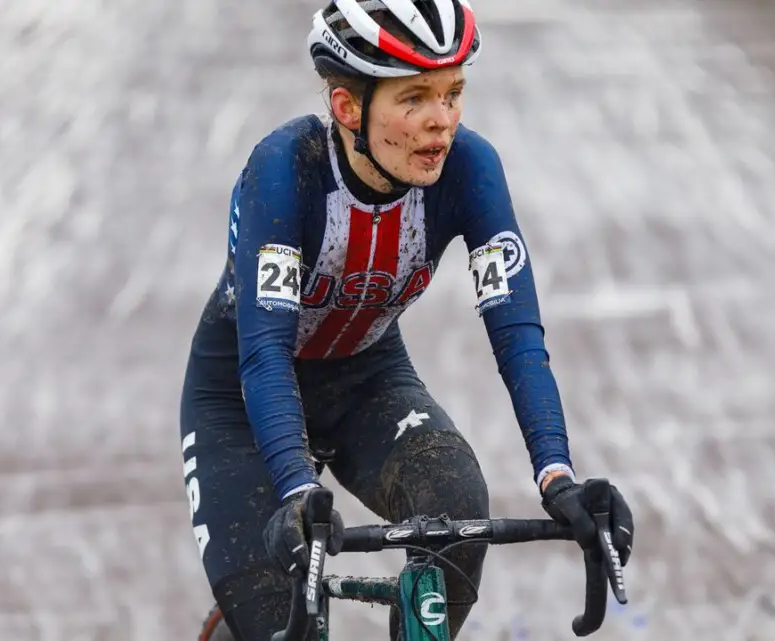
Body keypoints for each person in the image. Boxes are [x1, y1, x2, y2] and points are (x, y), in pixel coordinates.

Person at [179, 1, 635, 639]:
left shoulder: (471, 169)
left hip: (367, 379)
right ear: (348, 108)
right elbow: (264, 352)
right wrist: (293, 488)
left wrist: (557, 474)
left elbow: (517, 334)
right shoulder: (285, 169)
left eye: (453, 94)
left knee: (456, 506)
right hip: (242, 394)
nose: (441, 123)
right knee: (287, 626)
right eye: (415, 98)